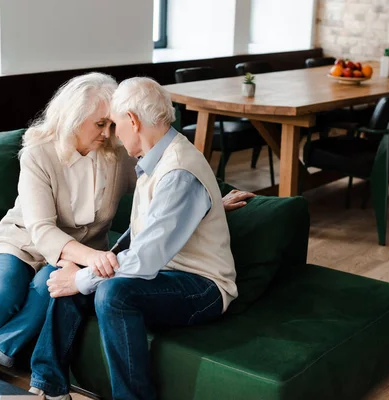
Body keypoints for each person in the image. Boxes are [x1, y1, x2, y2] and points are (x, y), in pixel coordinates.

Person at [29, 77, 242, 400]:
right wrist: (81, 274)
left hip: (204, 287)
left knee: (112, 292)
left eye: (114, 124)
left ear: (132, 121)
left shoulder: (178, 171)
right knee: (72, 276)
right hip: (166, 274)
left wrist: (83, 278)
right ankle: (48, 388)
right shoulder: (155, 158)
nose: (111, 133)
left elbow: (144, 261)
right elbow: (149, 231)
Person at [0, 72, 138, 376]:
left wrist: (206, 198)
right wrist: (93, 258)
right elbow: (42, 229)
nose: (107, 132)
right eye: (100, 124)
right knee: (4, 289)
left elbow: (160, 179)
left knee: (46, 290)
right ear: (73, 118)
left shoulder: (116, 154)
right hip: (23, 239)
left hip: (79, 250)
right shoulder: (39, 153)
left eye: (112, 124)